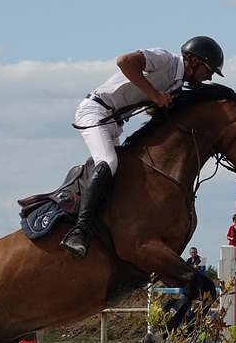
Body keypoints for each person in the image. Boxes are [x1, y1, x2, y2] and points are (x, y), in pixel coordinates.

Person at [60, 36, 225, 257]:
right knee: (108, 162)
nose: (209, 77)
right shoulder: (165, 59)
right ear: (193, 60)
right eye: (209, 70)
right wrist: (155, 95)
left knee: (122, 175)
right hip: (96, 111)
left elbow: (149, 109)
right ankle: (78, 231)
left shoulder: (176, 85)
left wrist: (158, 104)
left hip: (114, 124)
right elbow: (125, 62)